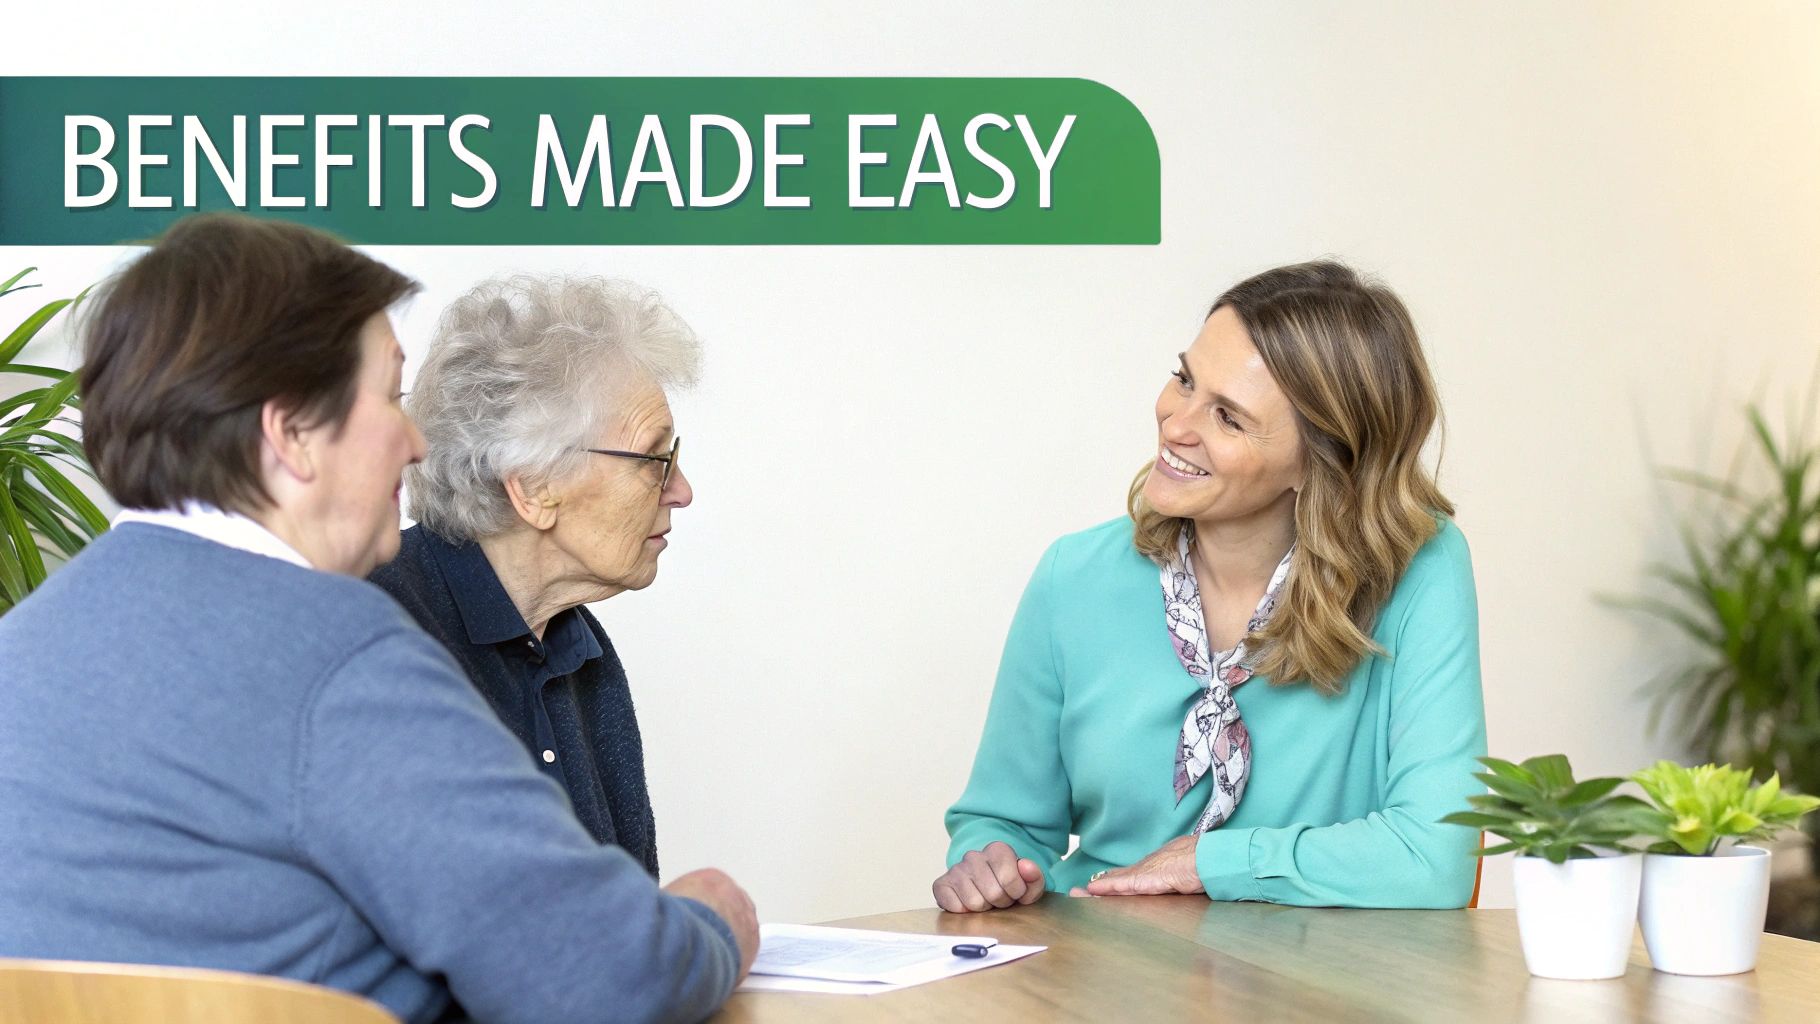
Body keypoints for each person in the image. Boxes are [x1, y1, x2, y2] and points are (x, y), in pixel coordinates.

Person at [0, 214, 757, 1024]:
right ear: (291, 432)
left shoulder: (26, 643)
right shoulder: (335, 652)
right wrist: (716, 916)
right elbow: (605, 978)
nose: (417, 443)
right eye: (389, 398)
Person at [935, 260, 1486, 911]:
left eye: (1228, 417)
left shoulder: (1417, 569)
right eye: (1185, 379)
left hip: (1312, 988)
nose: (1176, 424)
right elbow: (1004, 824)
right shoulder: (1073, 577)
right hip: (1099, 977)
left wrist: (1211, 862)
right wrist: (989, 864)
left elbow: (1434, 858)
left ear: (1323, 459)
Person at [369, 274, 697, 876]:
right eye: (656, 459)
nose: (682, 491)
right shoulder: (380, 631)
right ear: (533, 486)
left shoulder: (584, 652)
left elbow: (623, 914)